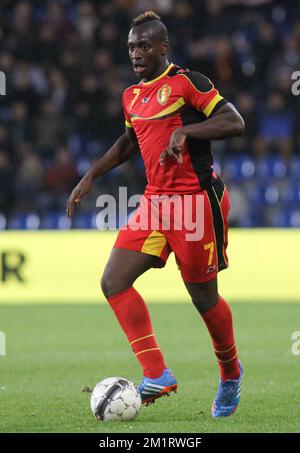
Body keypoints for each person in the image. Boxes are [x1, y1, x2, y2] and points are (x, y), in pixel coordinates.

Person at [67, 11, 245, 418]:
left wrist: (187, 132)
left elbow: (234, 121)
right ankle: (157, 373)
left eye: (144, 45)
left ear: (164, 46)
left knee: (203, 296)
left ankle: (231, 373)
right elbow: (130, 141)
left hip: (196, 202)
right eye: (131, 46)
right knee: (113, 281)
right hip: (155, 202)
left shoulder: (188, 83)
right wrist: (90, 176)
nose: (136, 52)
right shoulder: (131, 96)